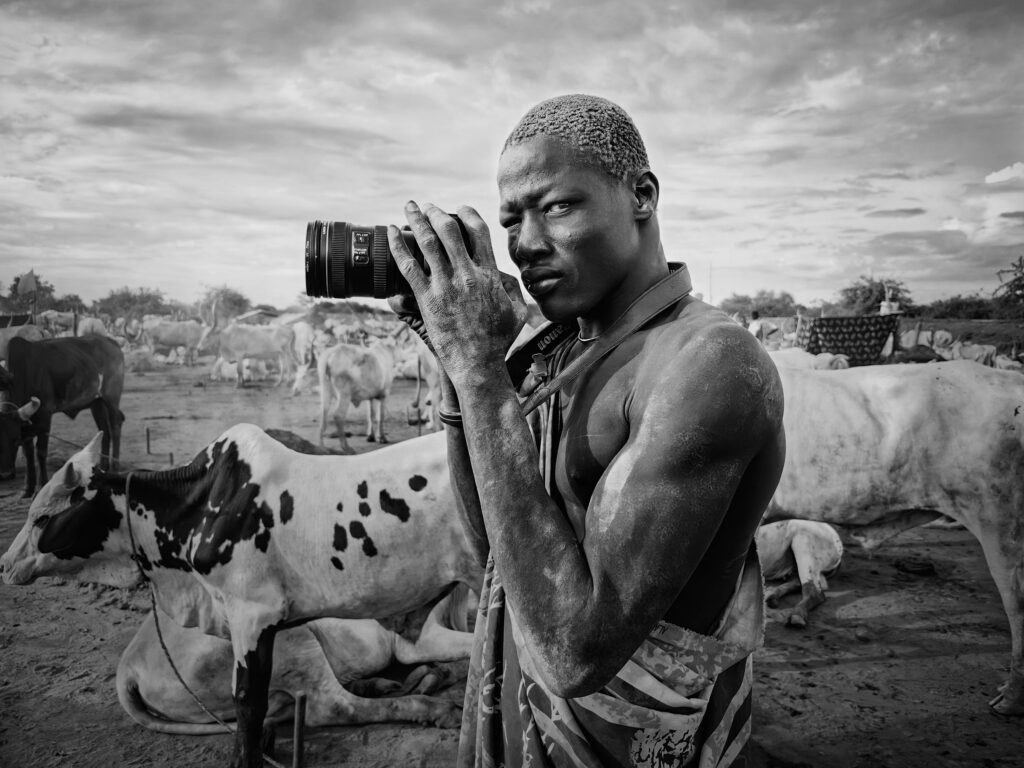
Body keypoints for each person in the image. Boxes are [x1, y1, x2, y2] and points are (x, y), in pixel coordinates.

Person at [387, 94, 785, 768]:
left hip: (622, 728)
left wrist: (484, 374)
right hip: (535, 668)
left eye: (557, 206)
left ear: (641, 195)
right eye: (511, 220)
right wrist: (457, 369)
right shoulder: (563, 350)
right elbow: (498, 551)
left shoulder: (706, 363)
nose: (526, 243)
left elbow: (575, 654)